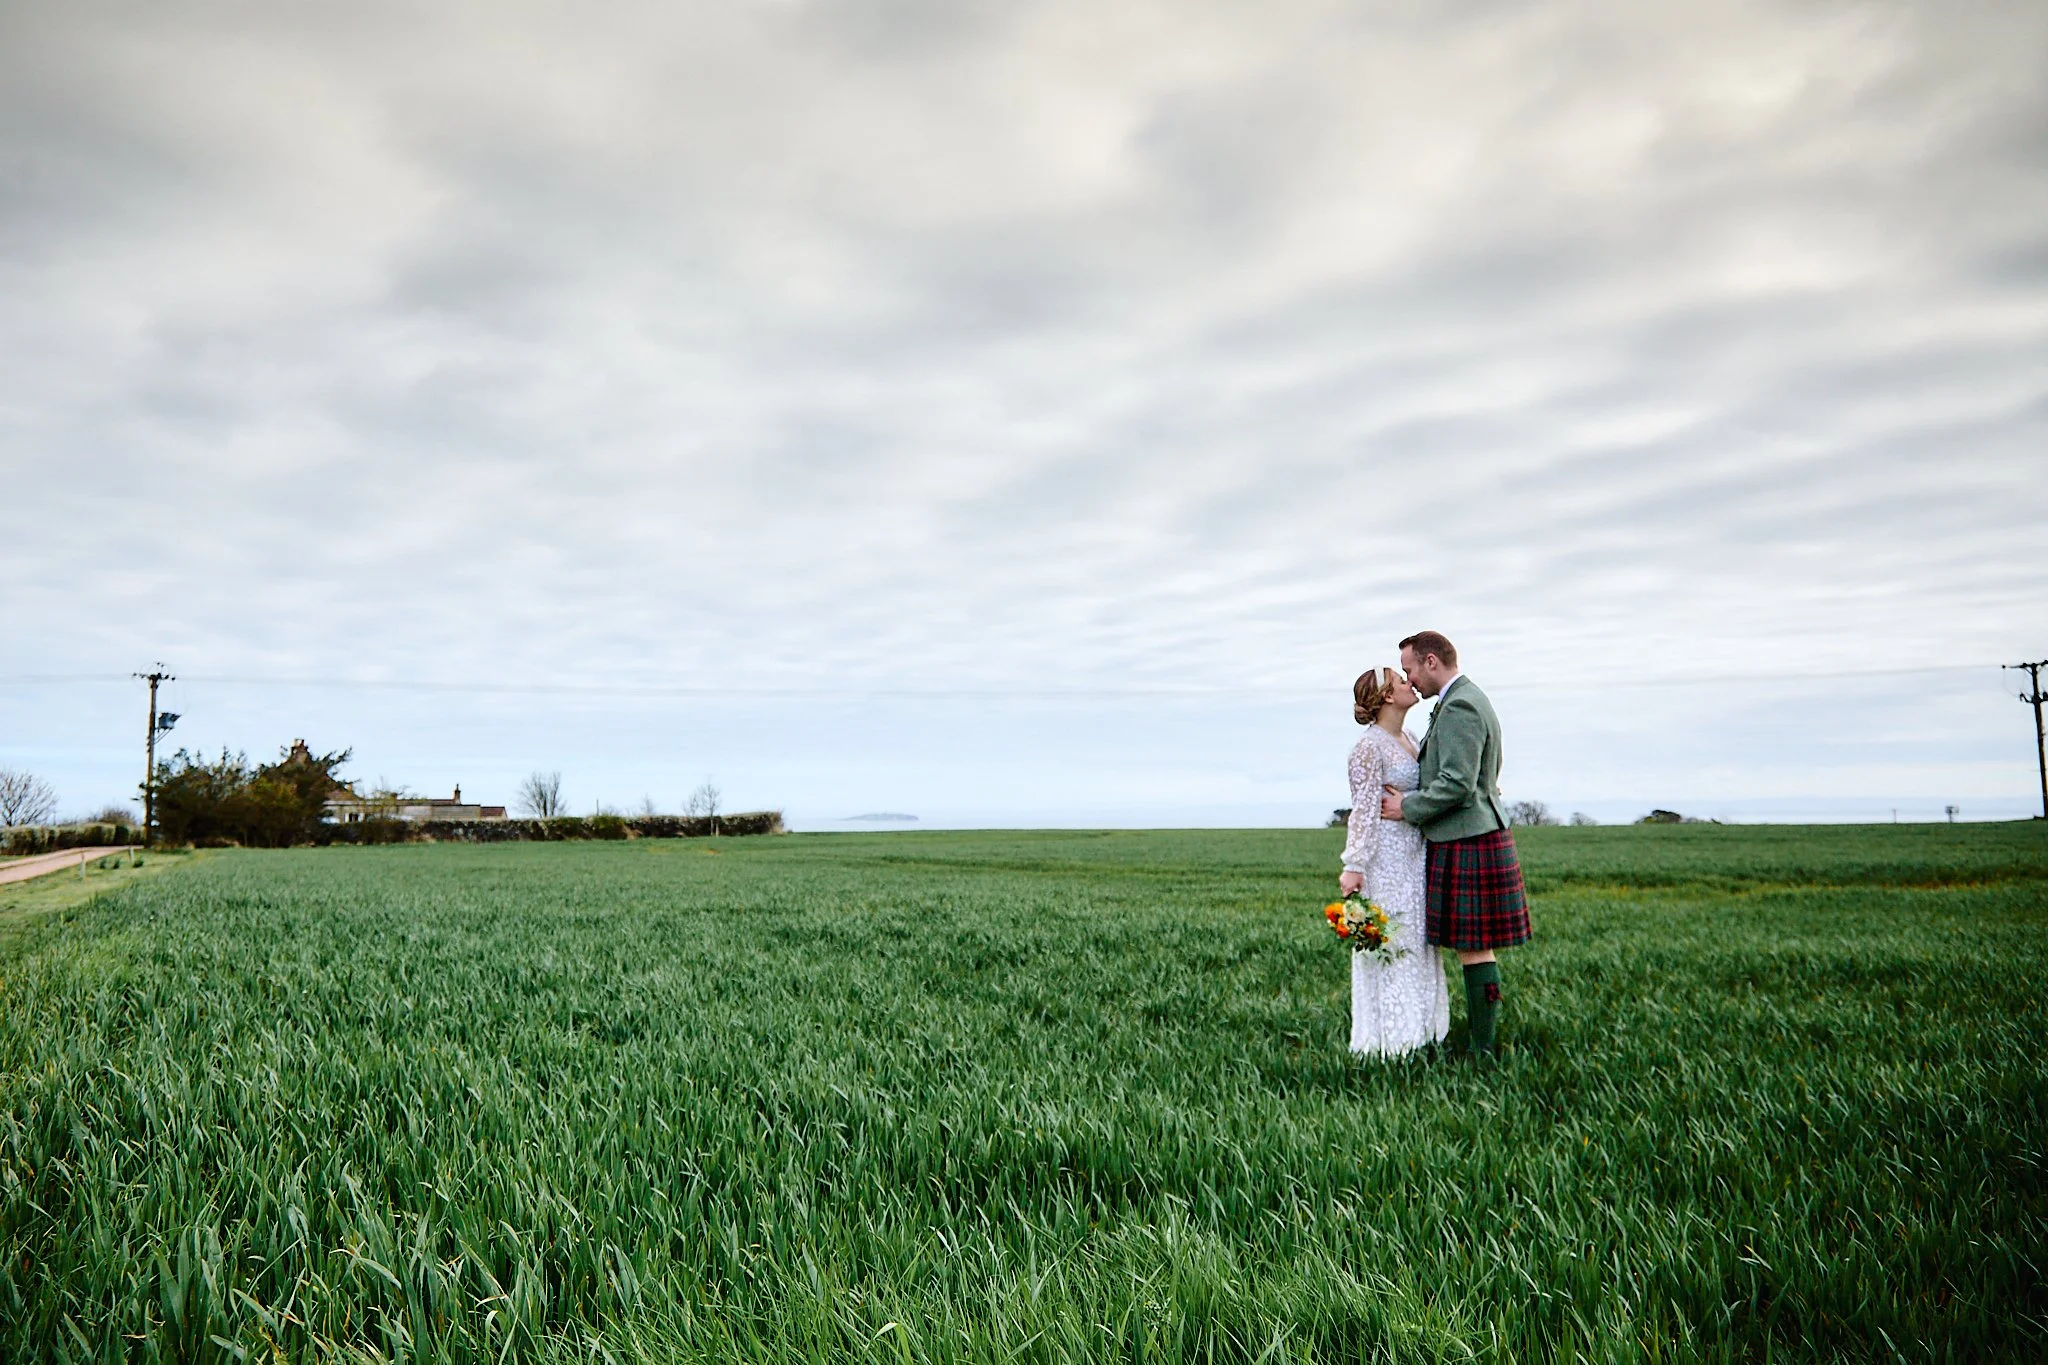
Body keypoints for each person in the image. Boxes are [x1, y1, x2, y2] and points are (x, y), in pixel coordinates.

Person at [1379, 631, 1530, 1054]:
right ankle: (1480, 1042)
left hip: (1470, 836)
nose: (1410, 680)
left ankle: (1482, 1049)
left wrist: (1406, 807)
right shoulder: (1460, 699)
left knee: (1474, 948)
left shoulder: (1461, 704)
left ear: (1431, 662)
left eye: (1409, 669)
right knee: (1473, 947)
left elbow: (1459, 784)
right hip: (1470, 833)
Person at [1338, 666, 1451, 1057]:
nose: (1411, 683)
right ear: (1387, 696)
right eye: (1401, 681)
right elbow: (1364, 811)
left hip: (1414, 855)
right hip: (1384, 860)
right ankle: (1391, 1043)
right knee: (1393, 941)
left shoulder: (1410, 738)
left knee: (1417, 939)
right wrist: (1354, 865)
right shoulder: (1367, 748)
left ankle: (1424, 1033)